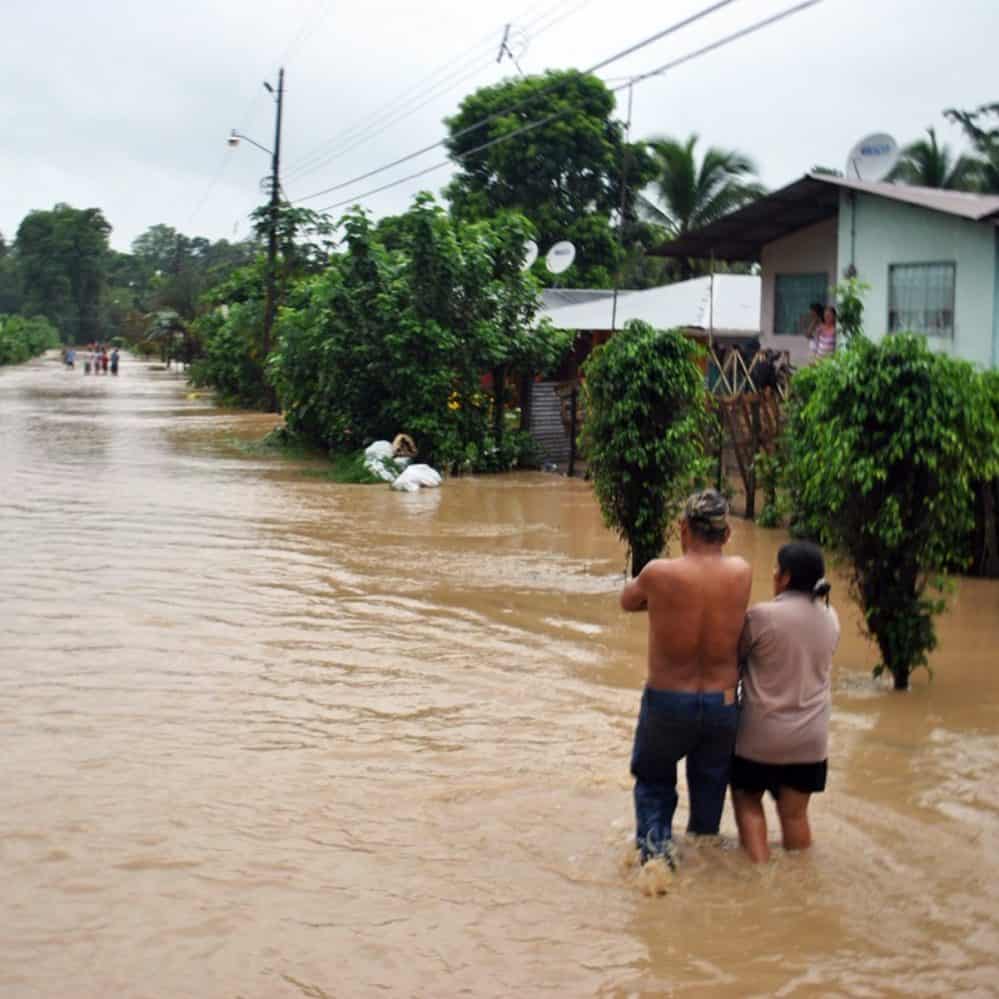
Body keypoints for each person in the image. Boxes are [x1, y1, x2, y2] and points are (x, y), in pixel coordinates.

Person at [621, 489, 753, 866]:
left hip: (667, 701)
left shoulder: (658, 573)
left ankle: (656, 864)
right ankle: (706, 864)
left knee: (654, 782)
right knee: (710, 789)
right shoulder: (741, 572)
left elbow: (628, 601)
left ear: (682, 528)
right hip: (723, 702)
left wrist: (662, 602)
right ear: (726, 533)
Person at [731, 542, 840, 864]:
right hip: (810, 741)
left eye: (777, 568)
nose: (773, 573)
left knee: (747, 800)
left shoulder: (761, 616)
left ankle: (759, 874)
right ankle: (800, 882)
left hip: (759, 737)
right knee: (794, 816)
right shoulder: (831, 617)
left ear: (787, 577)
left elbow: (734, 657)